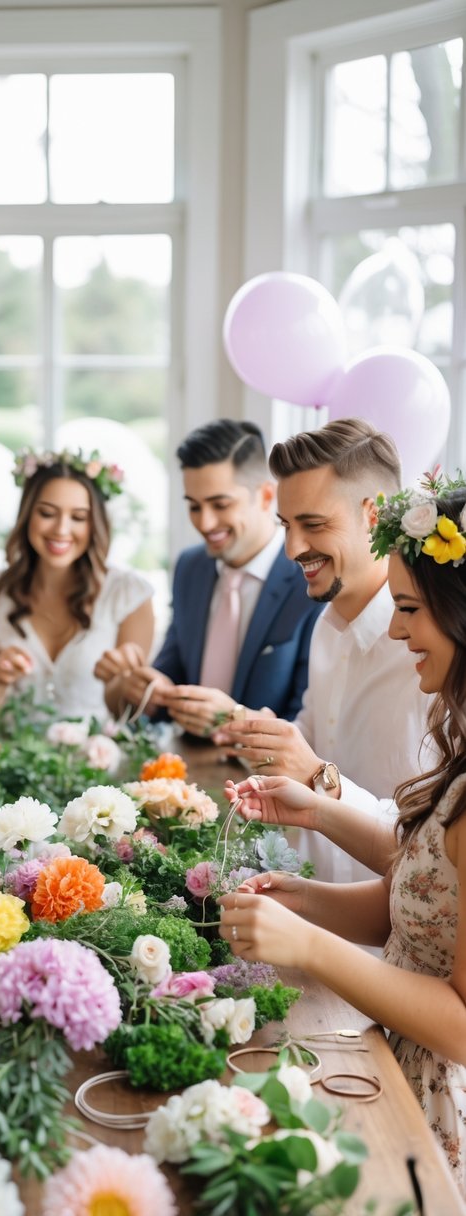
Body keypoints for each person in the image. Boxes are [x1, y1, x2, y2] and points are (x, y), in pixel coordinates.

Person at [219, 473, 466, 1191]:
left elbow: (459, 1025)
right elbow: (420, 902)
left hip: (437, 1109)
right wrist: (296, 898)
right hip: (393, 1064)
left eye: (411, 610)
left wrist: (307, 946)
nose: (395, 631)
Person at [224, 419, 431, 883]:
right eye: (286, 525)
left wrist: (319, 775)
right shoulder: (325, 627)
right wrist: (254, 733)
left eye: (313, 525)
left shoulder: (432, 651)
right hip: (314, 902)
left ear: (373, 515)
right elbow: (312, 741)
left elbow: (436, 844)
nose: (292, 548)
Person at [101, 419, 322, 734]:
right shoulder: (191, 567)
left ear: (265, 496)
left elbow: (312, 726)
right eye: (194, 506)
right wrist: (145, 688)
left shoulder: (309, 580)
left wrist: (233, 719)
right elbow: (171, 676)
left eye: (220, 505)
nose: (204, 523)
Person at [0, 449, 154, 720]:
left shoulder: (128, 594)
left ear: (94, 523)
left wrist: (121, 681)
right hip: (4, 757)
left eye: (78, 517)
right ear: (28, 514)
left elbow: (128, 711)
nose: (61, 530)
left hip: (98, 757)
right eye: (47, 513)